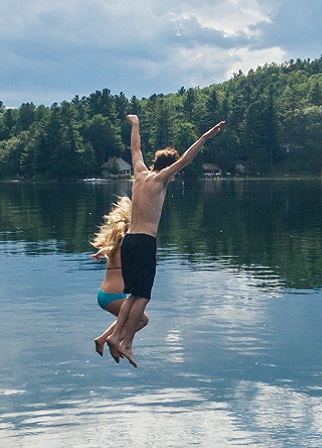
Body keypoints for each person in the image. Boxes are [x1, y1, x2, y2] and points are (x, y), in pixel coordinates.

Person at [106, 114, 225, 367]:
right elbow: (186, 159)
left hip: (128, 241)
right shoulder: (161, 179)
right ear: (168, 169)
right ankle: (127, 343)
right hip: (144, 242)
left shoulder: (139, 174)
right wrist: (205, 136)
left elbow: (135, 148)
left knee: (133, 295)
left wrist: (136, 123)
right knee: (144, 296)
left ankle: (116, 336)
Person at [89, 196, 148, 356]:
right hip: (112, 297)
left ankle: (101, 339)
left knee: (127, 317)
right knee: (142, 319)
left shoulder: (113, 246)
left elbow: (107, 249)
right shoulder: (125, 245)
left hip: (105, 294)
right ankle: (116, 339)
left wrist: (99, 253)